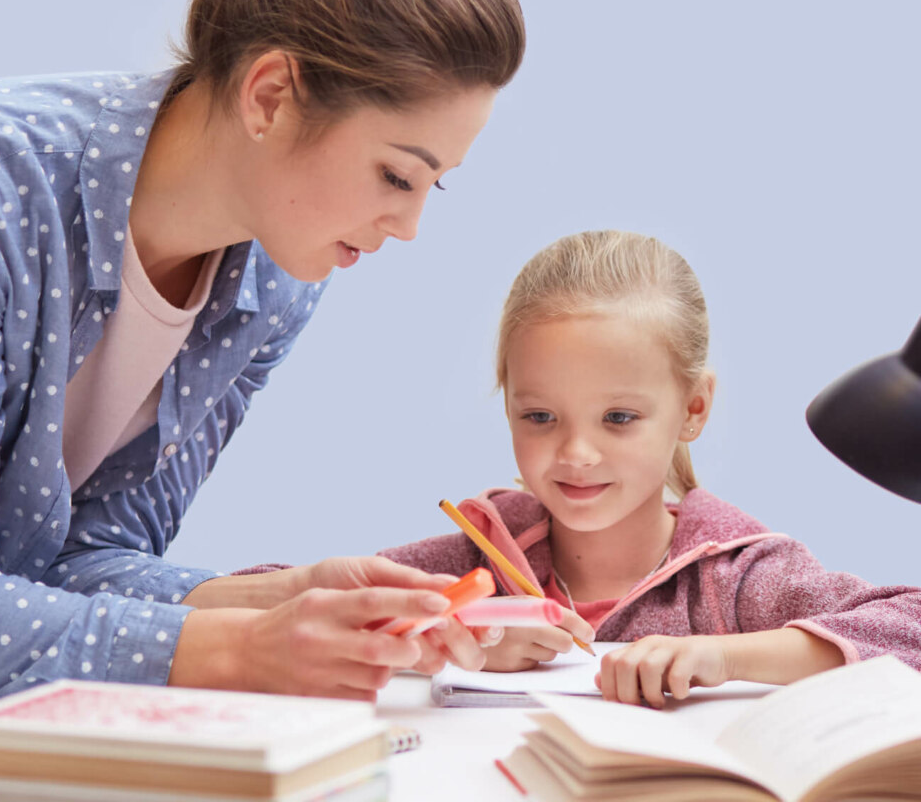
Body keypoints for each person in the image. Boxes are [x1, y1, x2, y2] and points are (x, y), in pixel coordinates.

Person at [0, 0, 524, 701]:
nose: (408, 227)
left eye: (432, 189)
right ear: (270, 95)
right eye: (395, 175)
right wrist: (239, 651)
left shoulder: (276, 280)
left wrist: (270, 601)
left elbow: (77, 560)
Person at [374, 230, 921, 707]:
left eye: (618, 417)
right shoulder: (481, 558)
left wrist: (724, 656)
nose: (576, 453)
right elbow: (291, 595)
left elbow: (912, 626)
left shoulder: (735, 578)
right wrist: (451, 634)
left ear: (692, 409)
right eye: (539, 416)